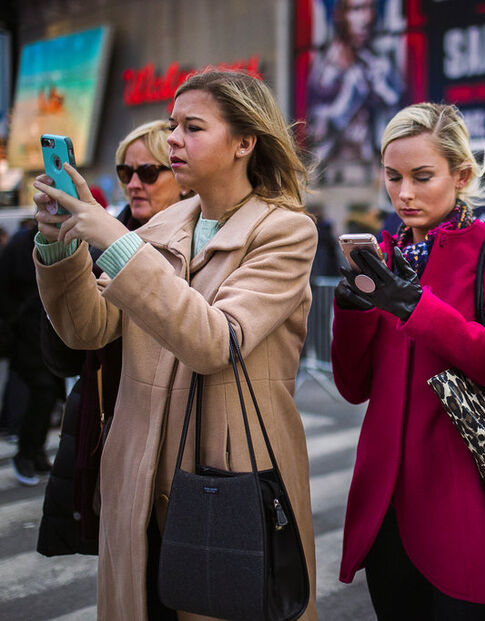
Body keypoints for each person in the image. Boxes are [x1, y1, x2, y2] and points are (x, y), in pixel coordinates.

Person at [31, 69, 319, 620]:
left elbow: (217, 342)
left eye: (192, 127)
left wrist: (116, 243)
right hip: (139, 474)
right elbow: (86, 329)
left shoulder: (285, 230)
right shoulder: (165, 225)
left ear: (244, 142)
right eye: (172, 125)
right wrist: (55, 243)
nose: (174, 141)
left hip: (231, 479)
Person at [331, 102, 485, 620]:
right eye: (393, 176)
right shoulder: (379, 254)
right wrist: (352, 309)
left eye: (422, 177)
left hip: (464, 501)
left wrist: (415, 306)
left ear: (461, 174)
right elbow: (354, 387)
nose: (404, 193)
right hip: (386, 508)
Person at [36, 120, 190, 556]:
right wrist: (60, 253)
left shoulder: (196, 245)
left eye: (148, 172)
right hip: (103, 423)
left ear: (181, 175)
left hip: (169, 436)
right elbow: (65, 357)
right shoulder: (96, 236)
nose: (134, 184)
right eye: (125, 172)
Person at [305, 0, 403, 177]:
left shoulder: (380, 64)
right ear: (339, 14)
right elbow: (312, 135)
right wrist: (346, 102)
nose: (366, 18)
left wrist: (384, 95)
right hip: (330, 176)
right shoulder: (324, 71)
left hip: (375, 173)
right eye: (356, 9)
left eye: (369, 8)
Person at [0, 217, 64, 486]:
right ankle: (26, 453)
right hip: (25, 338)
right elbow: (6, 293)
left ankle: (35, 452)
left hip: (47, 336)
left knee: (47, 395)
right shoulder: (19, 248)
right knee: (39, 393)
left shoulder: (64, 242)